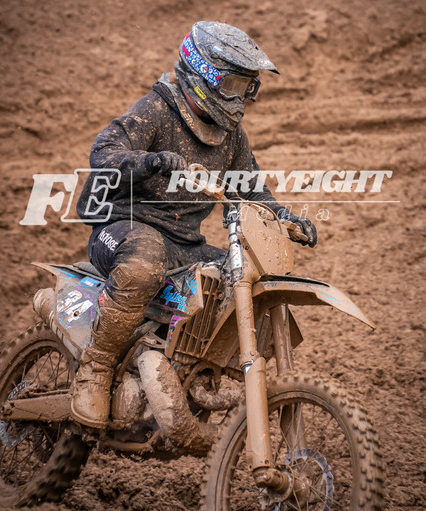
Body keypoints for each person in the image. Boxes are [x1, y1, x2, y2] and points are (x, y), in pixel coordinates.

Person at [72, 21, 317, 428]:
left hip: (184, 243)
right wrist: (149, 161)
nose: (239, 99)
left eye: (247, 88)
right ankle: (95, 368)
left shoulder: (230, 136)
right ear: (204, 75)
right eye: (233, 86)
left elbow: (251, 190)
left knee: (243, 279)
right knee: (145, 260)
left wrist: (285, 217)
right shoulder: (157, 109)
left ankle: (191, 373)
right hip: (121, 229)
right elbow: (104, 151)